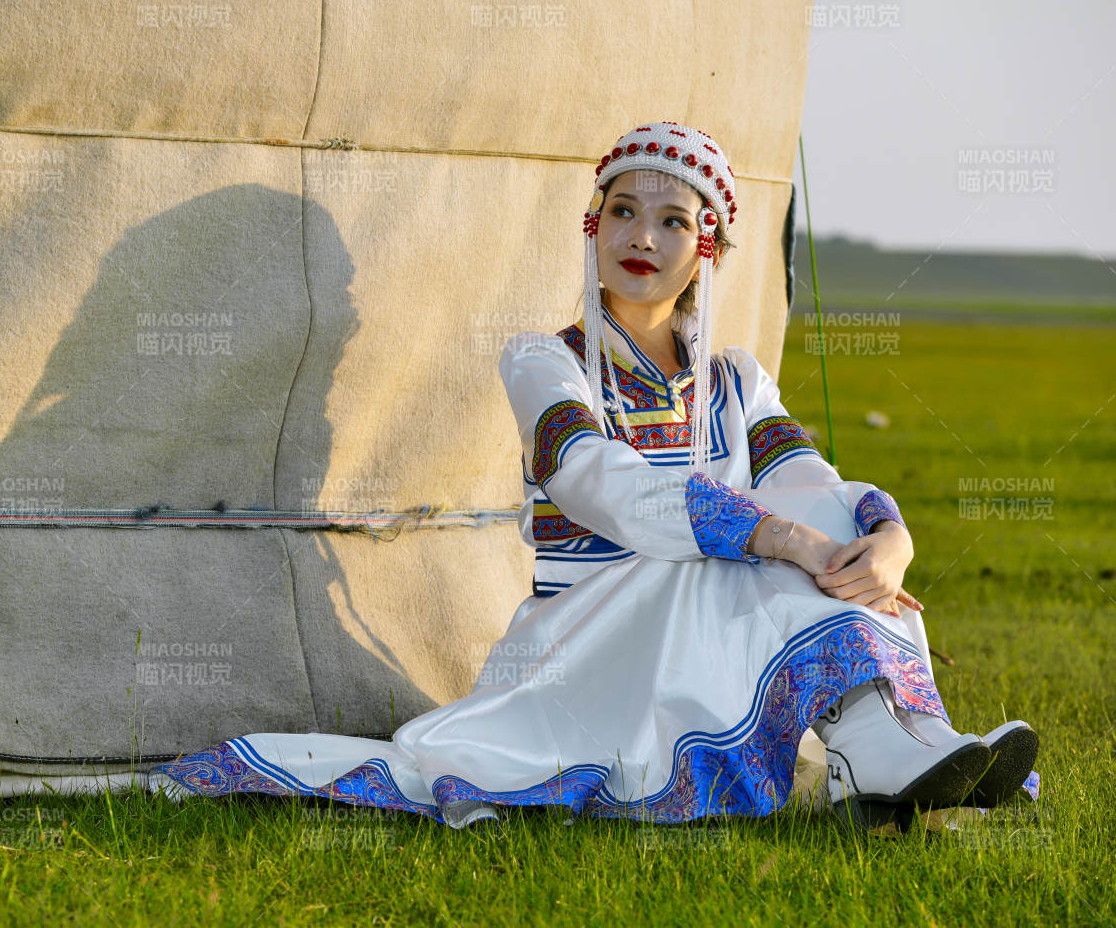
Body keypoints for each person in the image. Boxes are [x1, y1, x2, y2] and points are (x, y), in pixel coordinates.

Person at [151, 121, 1038, 831]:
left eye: (672, 220)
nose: (641, 236)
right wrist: (782, 538)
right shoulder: (546, 362)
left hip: (706, 638)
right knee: (762, 546)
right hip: (583, 647)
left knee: (818, 516)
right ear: (593, 226)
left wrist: (888, 538)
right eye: (621, 211)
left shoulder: (736, 381)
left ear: (710, 248)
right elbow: (594, 478)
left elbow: (807, 477)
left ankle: (896, 742)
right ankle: (877, 751)